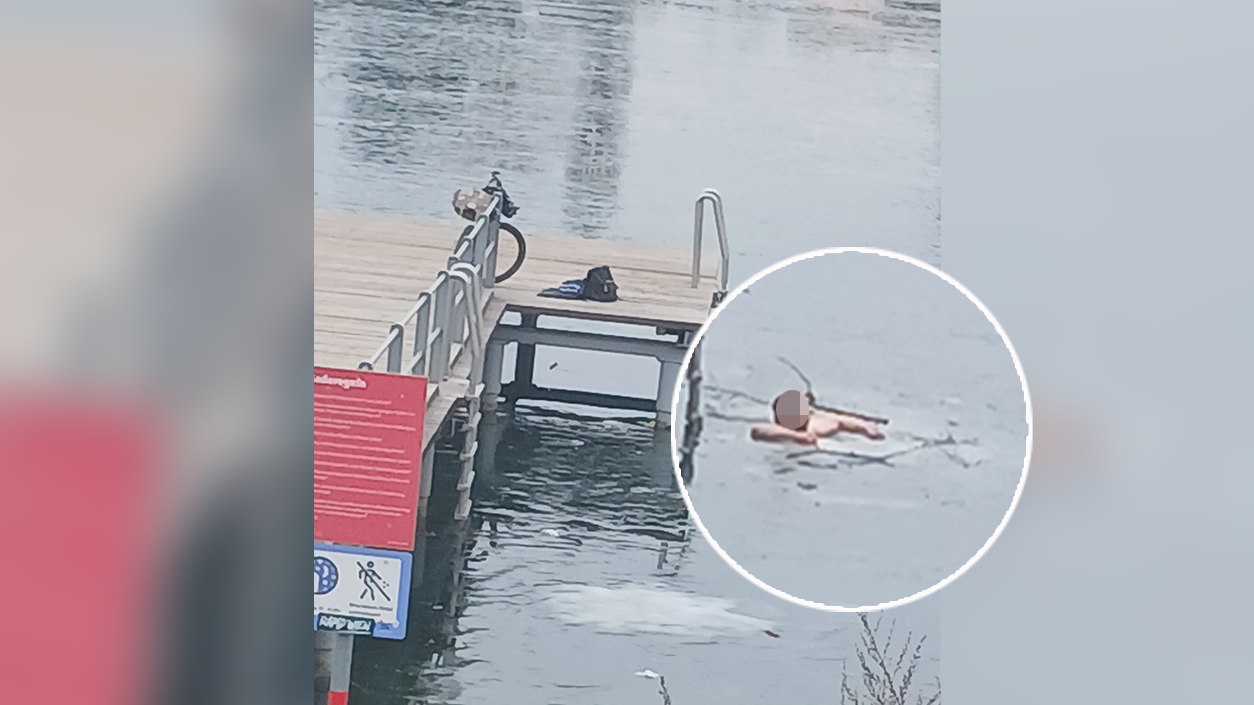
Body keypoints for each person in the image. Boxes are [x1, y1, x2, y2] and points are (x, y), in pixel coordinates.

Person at [750, 389, 885, 445]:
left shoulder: (816, 423)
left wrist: (865, 427)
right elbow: (757, 432)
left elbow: (840, 421)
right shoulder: (778, 429)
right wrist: (798, 436)